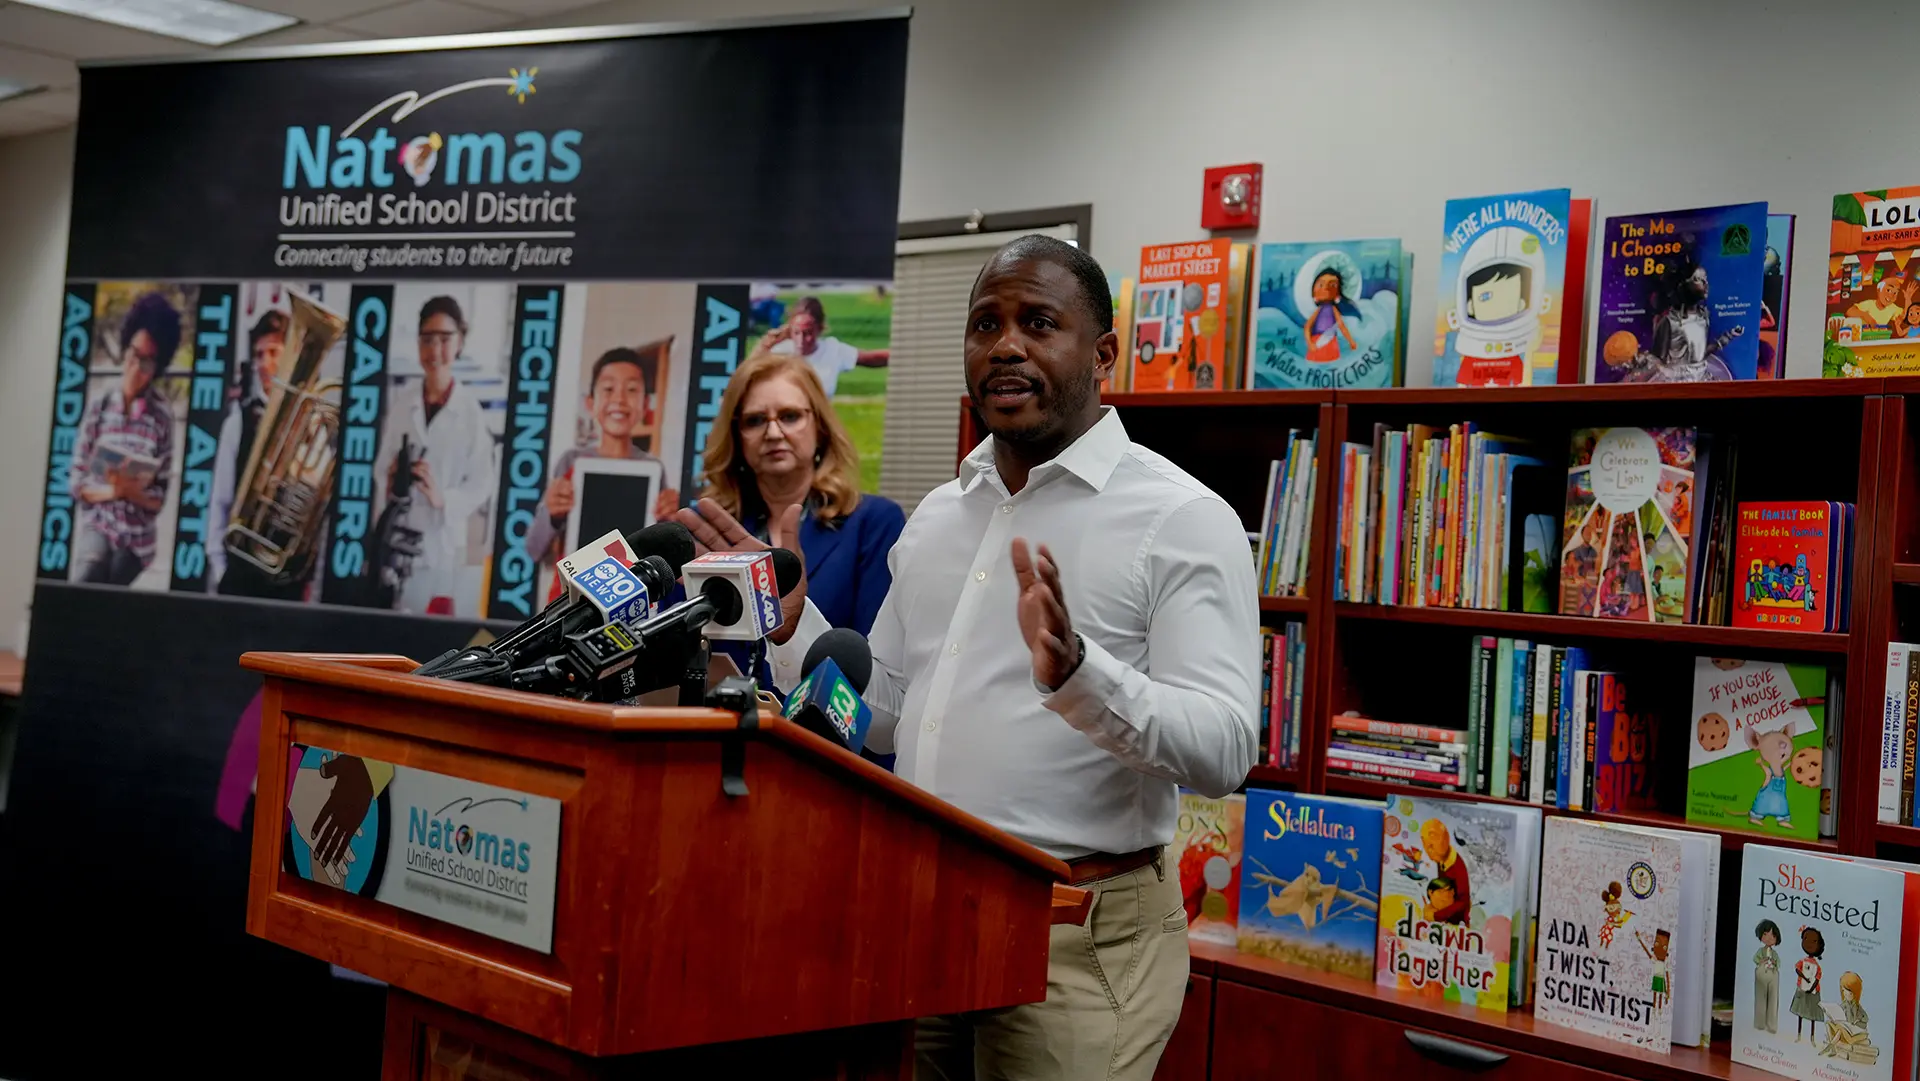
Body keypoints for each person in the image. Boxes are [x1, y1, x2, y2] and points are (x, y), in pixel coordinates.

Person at [676, 235, 1259, 1080]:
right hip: (926, 919)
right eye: (985, 323)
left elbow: (1223, 751)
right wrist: (789, 626)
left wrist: (1079, 674)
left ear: (1103, 354)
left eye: (1038, 322)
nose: (1006, 344)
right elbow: (882, 718)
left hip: (1076, 938)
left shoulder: (1181, 518)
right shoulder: (941, 517)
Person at [684, 351, 903, 636]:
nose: (773, 433)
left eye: (789, 416)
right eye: (755, 421)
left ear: (820, 427)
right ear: (736, 436)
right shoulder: (708, 529)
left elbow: (873, 657)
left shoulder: (874, 523)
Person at [375, 296, 494, 616]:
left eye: (444, 339)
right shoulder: (403, 402)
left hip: (442, 544)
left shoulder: (470, 412)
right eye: (427, 340)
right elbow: (380, 467)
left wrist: (443, 497)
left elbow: (482, 485)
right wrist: (392, 475)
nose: (435, 350)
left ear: (460, 342)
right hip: (397, 540)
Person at [528, 344, 681, 593]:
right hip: (570, 595)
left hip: (629, 590)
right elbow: (535, 548)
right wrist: (553, 514)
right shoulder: (571, 463)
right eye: (608, 389)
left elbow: (659, 550)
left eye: (631, 390)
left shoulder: (654, 469)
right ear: (590, 402)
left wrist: (669, 522)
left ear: (645, 404)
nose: (619, 399)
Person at [70, 290, 180, 586]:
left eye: (147, 362)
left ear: (157, 367)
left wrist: (133, 492)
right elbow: (77, 482)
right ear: (125, 348)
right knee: (88, 574)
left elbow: (160, 499)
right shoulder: (100, 406)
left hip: (137, 538)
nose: (136, 368)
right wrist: (114, 492)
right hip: (100, 521)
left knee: (112, 582)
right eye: (134, 354)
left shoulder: (162, 418)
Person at [209, 309, 294, 596]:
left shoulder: (311, 424)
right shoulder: (238, 422)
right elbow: (220, 503)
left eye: (273, 352)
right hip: (239, 576)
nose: (264, 363)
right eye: (259, 355)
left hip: (286, 579)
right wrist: (221, 568)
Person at [757, 295, 888, 397]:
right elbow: (747, 376)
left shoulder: (833, 350)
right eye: (797, 333)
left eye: (808, 333)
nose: (801, 341)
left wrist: (905, 352)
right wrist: (764, 347)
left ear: (819, 329)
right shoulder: (779, 352)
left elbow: (872, 358)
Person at [1420, 818, 1472, 924]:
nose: (1429, 851)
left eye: (1431, 845)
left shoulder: (1457, 868)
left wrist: (1436, 915)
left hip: (1457, 925)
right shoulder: (1442, 859)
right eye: (1425, 845)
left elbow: (1463, 901)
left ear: (1446, 839)